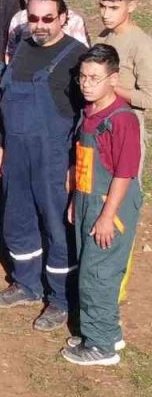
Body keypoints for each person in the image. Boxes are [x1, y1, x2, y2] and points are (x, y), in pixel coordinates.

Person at [0, 0, 85, 331]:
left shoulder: (76, 56)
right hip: (16, 152)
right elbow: (4, 105)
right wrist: (1, 145)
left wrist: (75, 165)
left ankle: (59, 299)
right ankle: (26, 284)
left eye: (47, 19)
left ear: (63, 18)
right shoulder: (23, 48)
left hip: (54, 157)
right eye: (33, 18)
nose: (39, 26)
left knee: (57, 227)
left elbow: (84, 119)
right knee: (17, 219)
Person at [63, 44, 142, 366]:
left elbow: (124, 172)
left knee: (98, 273)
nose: (86, 84)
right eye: (83, 77)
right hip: (86, 199)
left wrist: (108, 216)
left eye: (94, 78)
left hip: (110, 206)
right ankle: (106, 331)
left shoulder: (121, 120)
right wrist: (74, 200)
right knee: (91, 268)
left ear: (114, 79)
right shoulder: (89, 113)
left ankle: (100, 347)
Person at [96, 0, 152, 163]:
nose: (105, 14)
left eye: (113, 8)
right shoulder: (103, 36)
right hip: (98, 124)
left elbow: (148, 98)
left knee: (126, 188)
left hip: (126, 127)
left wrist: (110, 88)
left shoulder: (141, 45)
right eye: (102, 6)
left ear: (131, 6)